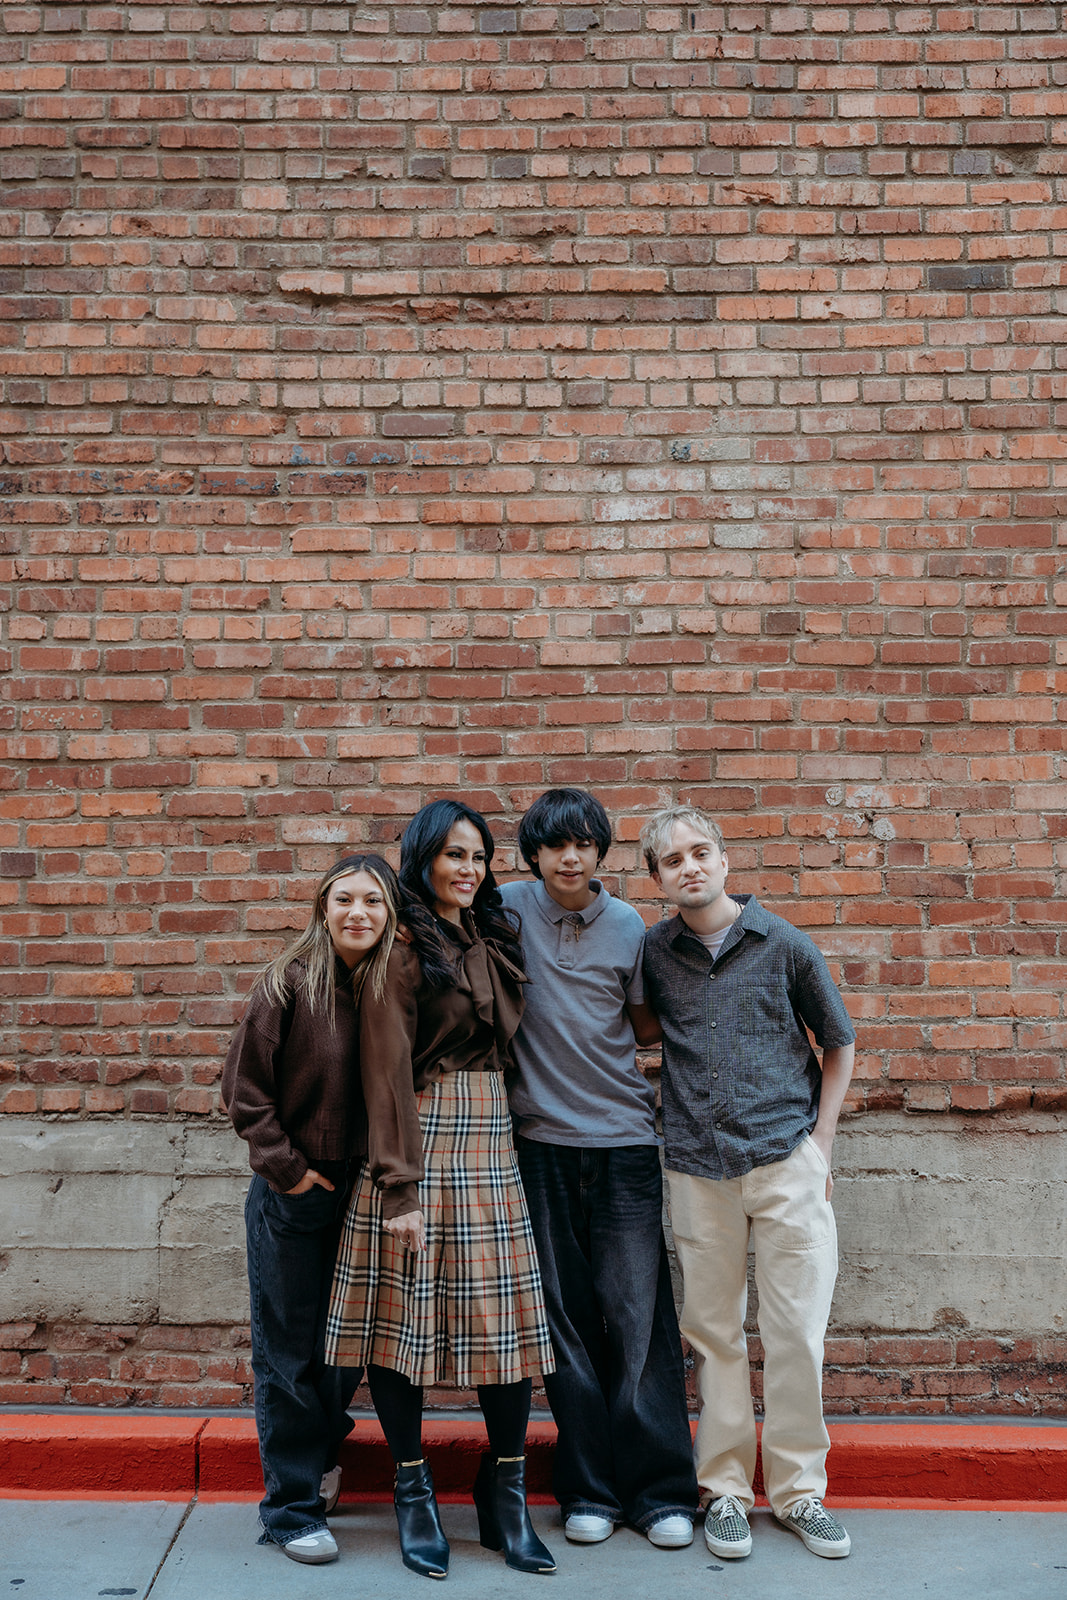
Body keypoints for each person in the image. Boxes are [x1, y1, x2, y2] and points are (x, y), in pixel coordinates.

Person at [326, 799, 556, 1580]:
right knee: (400, 1328)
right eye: (453, 854)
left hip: (491, 1141)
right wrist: (399, 1188)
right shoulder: (399, 949)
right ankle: (413, 1494)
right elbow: (383, 1071)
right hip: (417, 1143)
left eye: (479, 857)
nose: (468, 869)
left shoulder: (486, 934)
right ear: (421, 858)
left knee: (505, 1332)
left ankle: (505, 1495)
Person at [640, 805, 857, 1562]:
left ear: (723, 860)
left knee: (796, 1331)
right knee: (713, 1336)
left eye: (701, 852)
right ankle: (725, 1491)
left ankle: (800, 1493)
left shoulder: (783, 944)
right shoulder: (654, 953)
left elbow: (838, 1041)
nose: (690, 867)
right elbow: (640, 1030)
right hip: (696, 1168)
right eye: (673, 861)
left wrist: (821, 1146)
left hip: (785, 1160)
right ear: (659, 879)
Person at [498, 789, 699, 1549]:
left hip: (622, 1145)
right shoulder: (506, 910)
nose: (570, 858)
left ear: (602, 853)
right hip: (537, 1147)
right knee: (565, 1326)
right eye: (555, 846)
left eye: (584, 844)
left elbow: (643, 1026)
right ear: (534, 854)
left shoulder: (628, 928)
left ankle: (659, 1494)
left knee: (639, 1323)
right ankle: (586, 1491)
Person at [221, 852, 399, 1565]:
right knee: (289, 1354)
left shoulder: (390, 989)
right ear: (322, 908)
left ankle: (321, 1456)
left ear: (390, 916)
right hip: (295, 1192)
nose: (359, 913)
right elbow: (243, 1094)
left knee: (342, 1350)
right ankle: (289, 1509)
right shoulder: (288, 984)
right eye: (345, 900)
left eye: (374, 902)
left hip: (363, 1189)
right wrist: (291, 1175)